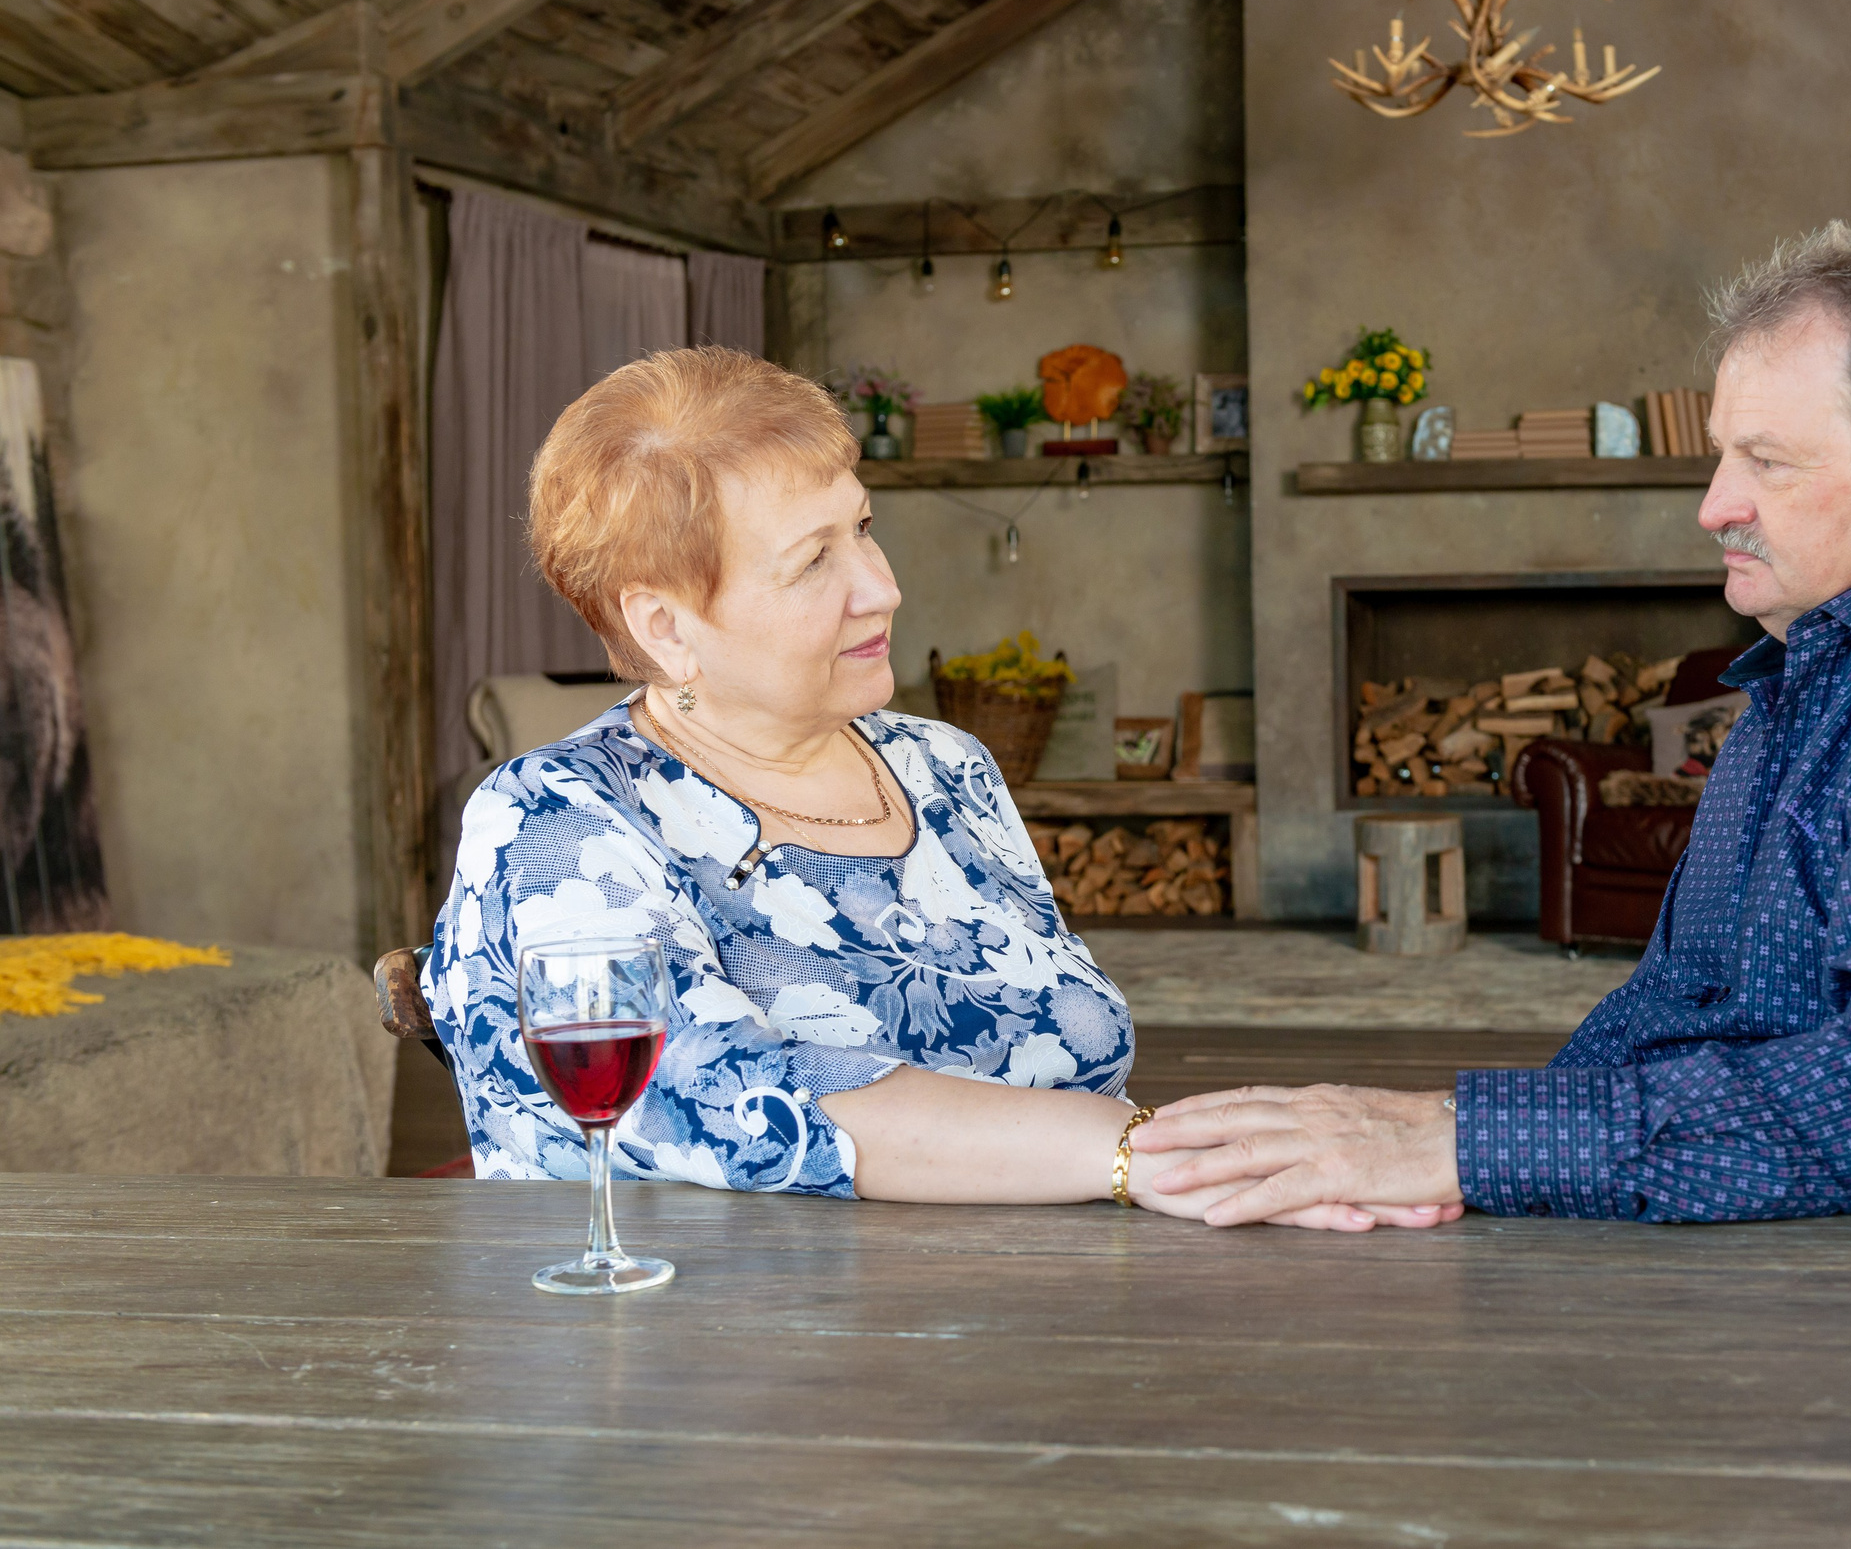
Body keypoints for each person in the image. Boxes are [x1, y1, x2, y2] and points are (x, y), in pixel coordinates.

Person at [1138, 223, 1851, 1224]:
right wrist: (1441, 1143)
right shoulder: (1817, 671)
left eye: (1765, 461)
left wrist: (1465, 1146)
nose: (1713, 504)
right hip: (1822, 1267)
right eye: (1723, 454)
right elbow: (1677, 1001)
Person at [426, 347, 1453, 1230]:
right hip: (705, 1380)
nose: (881, 585)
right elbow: (724, 1100)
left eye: (862, 527)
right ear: (663, 627)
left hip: (1039, 1313)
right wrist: (1155, 1155)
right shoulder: (557, 820)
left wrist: (1226, 1161)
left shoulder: (942, 766)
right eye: (812, 560)